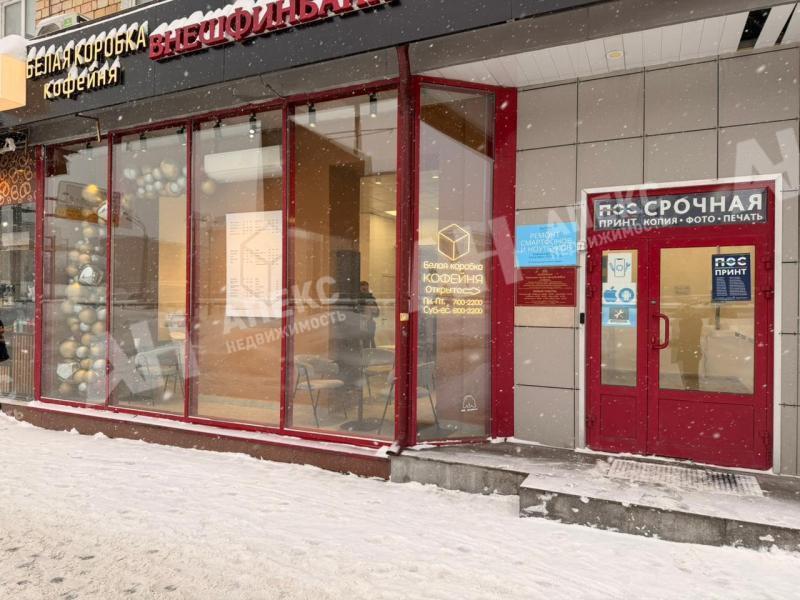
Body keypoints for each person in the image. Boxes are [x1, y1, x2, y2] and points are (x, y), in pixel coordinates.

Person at [357, 281, 379, 349]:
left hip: (368, 324)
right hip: (359, 324)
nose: (365, 291)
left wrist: (373, 308)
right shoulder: (357, 299)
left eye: (367, 289)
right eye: (363, 289)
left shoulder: (371, 299)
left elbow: (377, 314)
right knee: (362, 343)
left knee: (368, 343)